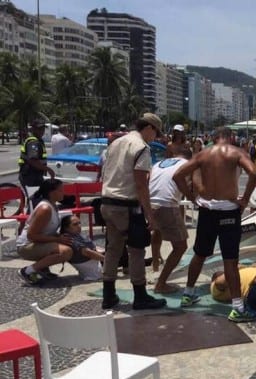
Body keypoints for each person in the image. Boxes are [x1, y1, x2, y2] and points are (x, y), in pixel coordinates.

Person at [173, 126, 256, 321]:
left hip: (206, 211)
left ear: (214, 137)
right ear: (230, 137)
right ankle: (237, 307)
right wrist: (245, 199)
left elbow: (177, 175)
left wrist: (191, 197)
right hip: (229, 211)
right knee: (230, 260)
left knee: (200, 253)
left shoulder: (203, 154)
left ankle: (188, 294)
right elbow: (253, 173)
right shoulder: (236, 152)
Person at [100, 113, 167, 310]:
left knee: (113, 248)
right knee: (136, 250)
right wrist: (150, 216)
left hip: (107, 202)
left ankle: (108, 294)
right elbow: (141, 184)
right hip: (127, 206)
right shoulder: (141, 148)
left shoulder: (116, 143)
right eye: (156, 133)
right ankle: (140, 295)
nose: (155, 138)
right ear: (148, 128)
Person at [149, 149, 192, 293]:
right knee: (180, 246)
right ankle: (161, 283)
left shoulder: (159, 163)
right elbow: (188, 183)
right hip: (166, 203)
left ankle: (155, 266)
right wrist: (192, 197)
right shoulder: (188, 164)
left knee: (158, 231)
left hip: (150, 204)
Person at [16, 179, 72, 285]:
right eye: (61, 190)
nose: (63, 193)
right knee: (65, 251)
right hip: (26, 246)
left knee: (69, 243)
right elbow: (31, 236)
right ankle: (27, 271)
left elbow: (47, 230)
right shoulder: (45, 209)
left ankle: (43, 269)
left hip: (38, 242)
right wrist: (58, 239)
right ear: (52, 192)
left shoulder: (53, 205)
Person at [59, 215, 104, 281]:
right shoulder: (69, 239)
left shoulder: (75, 234)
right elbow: (87, 252)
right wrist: (106, 260)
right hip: (93, 273)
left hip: (94, 263)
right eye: (75, 224)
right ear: (66, 228)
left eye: (79, 223)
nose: (79, 226)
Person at [18, 119, 55, 199]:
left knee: (37, 199)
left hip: (35, 175)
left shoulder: (38, 140)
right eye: (39, 129)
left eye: (43, 128)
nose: (42, 131)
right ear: (33, 129)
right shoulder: (33, 142)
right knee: (34, 200)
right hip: (30, 176)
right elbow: (33, 161)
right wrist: (48, 169)